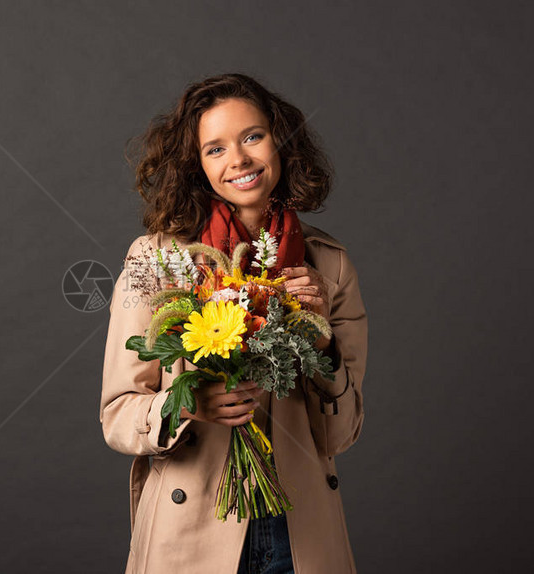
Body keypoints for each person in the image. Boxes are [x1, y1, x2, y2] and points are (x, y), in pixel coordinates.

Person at [100, 73, 368, 574]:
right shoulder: (152, 261)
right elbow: (117, 415)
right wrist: (188, 404)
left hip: (301, 532)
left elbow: (342, 433)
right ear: (196, 167)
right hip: (190, 532)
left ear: (280, 142)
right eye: (215, 149)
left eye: (252, 137)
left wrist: (321, 341)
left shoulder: (328, 267)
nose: (239, 160)